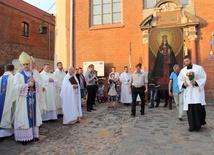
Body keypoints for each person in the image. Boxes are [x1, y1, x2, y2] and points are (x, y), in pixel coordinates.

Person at [14, 52, 43, 145]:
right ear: (21, 65)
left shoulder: (33, 73)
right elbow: (15, 87)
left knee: (33, 116)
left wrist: (35, 84)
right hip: (23, 100)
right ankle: (24, 138)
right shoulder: (18, 75)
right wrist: (27, 85)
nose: (26, 66)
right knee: (24, 117)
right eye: (24, 64)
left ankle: (33, 135)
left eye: (27, 64)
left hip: (33, 98)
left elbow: (39, 84)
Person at [178, 55, 207, 132]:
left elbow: (203, 77)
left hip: (197, 92)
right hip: (189, 93)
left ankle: (198, 126)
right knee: (190, 111)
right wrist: (183, 84)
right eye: (185, 62)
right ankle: (192, 126)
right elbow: (180, 80)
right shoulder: (183, 71)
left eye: (187, 61)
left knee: (198, 109)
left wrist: (196, 82)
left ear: (190, 60)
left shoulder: (199, 68)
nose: (186, 63)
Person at [0, 65, 15, 140]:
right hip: (9, 101)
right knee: (8, 114)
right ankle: (7, 132)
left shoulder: (0, 78)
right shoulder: (13, 78)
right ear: (13, 70)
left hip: (1, 101)